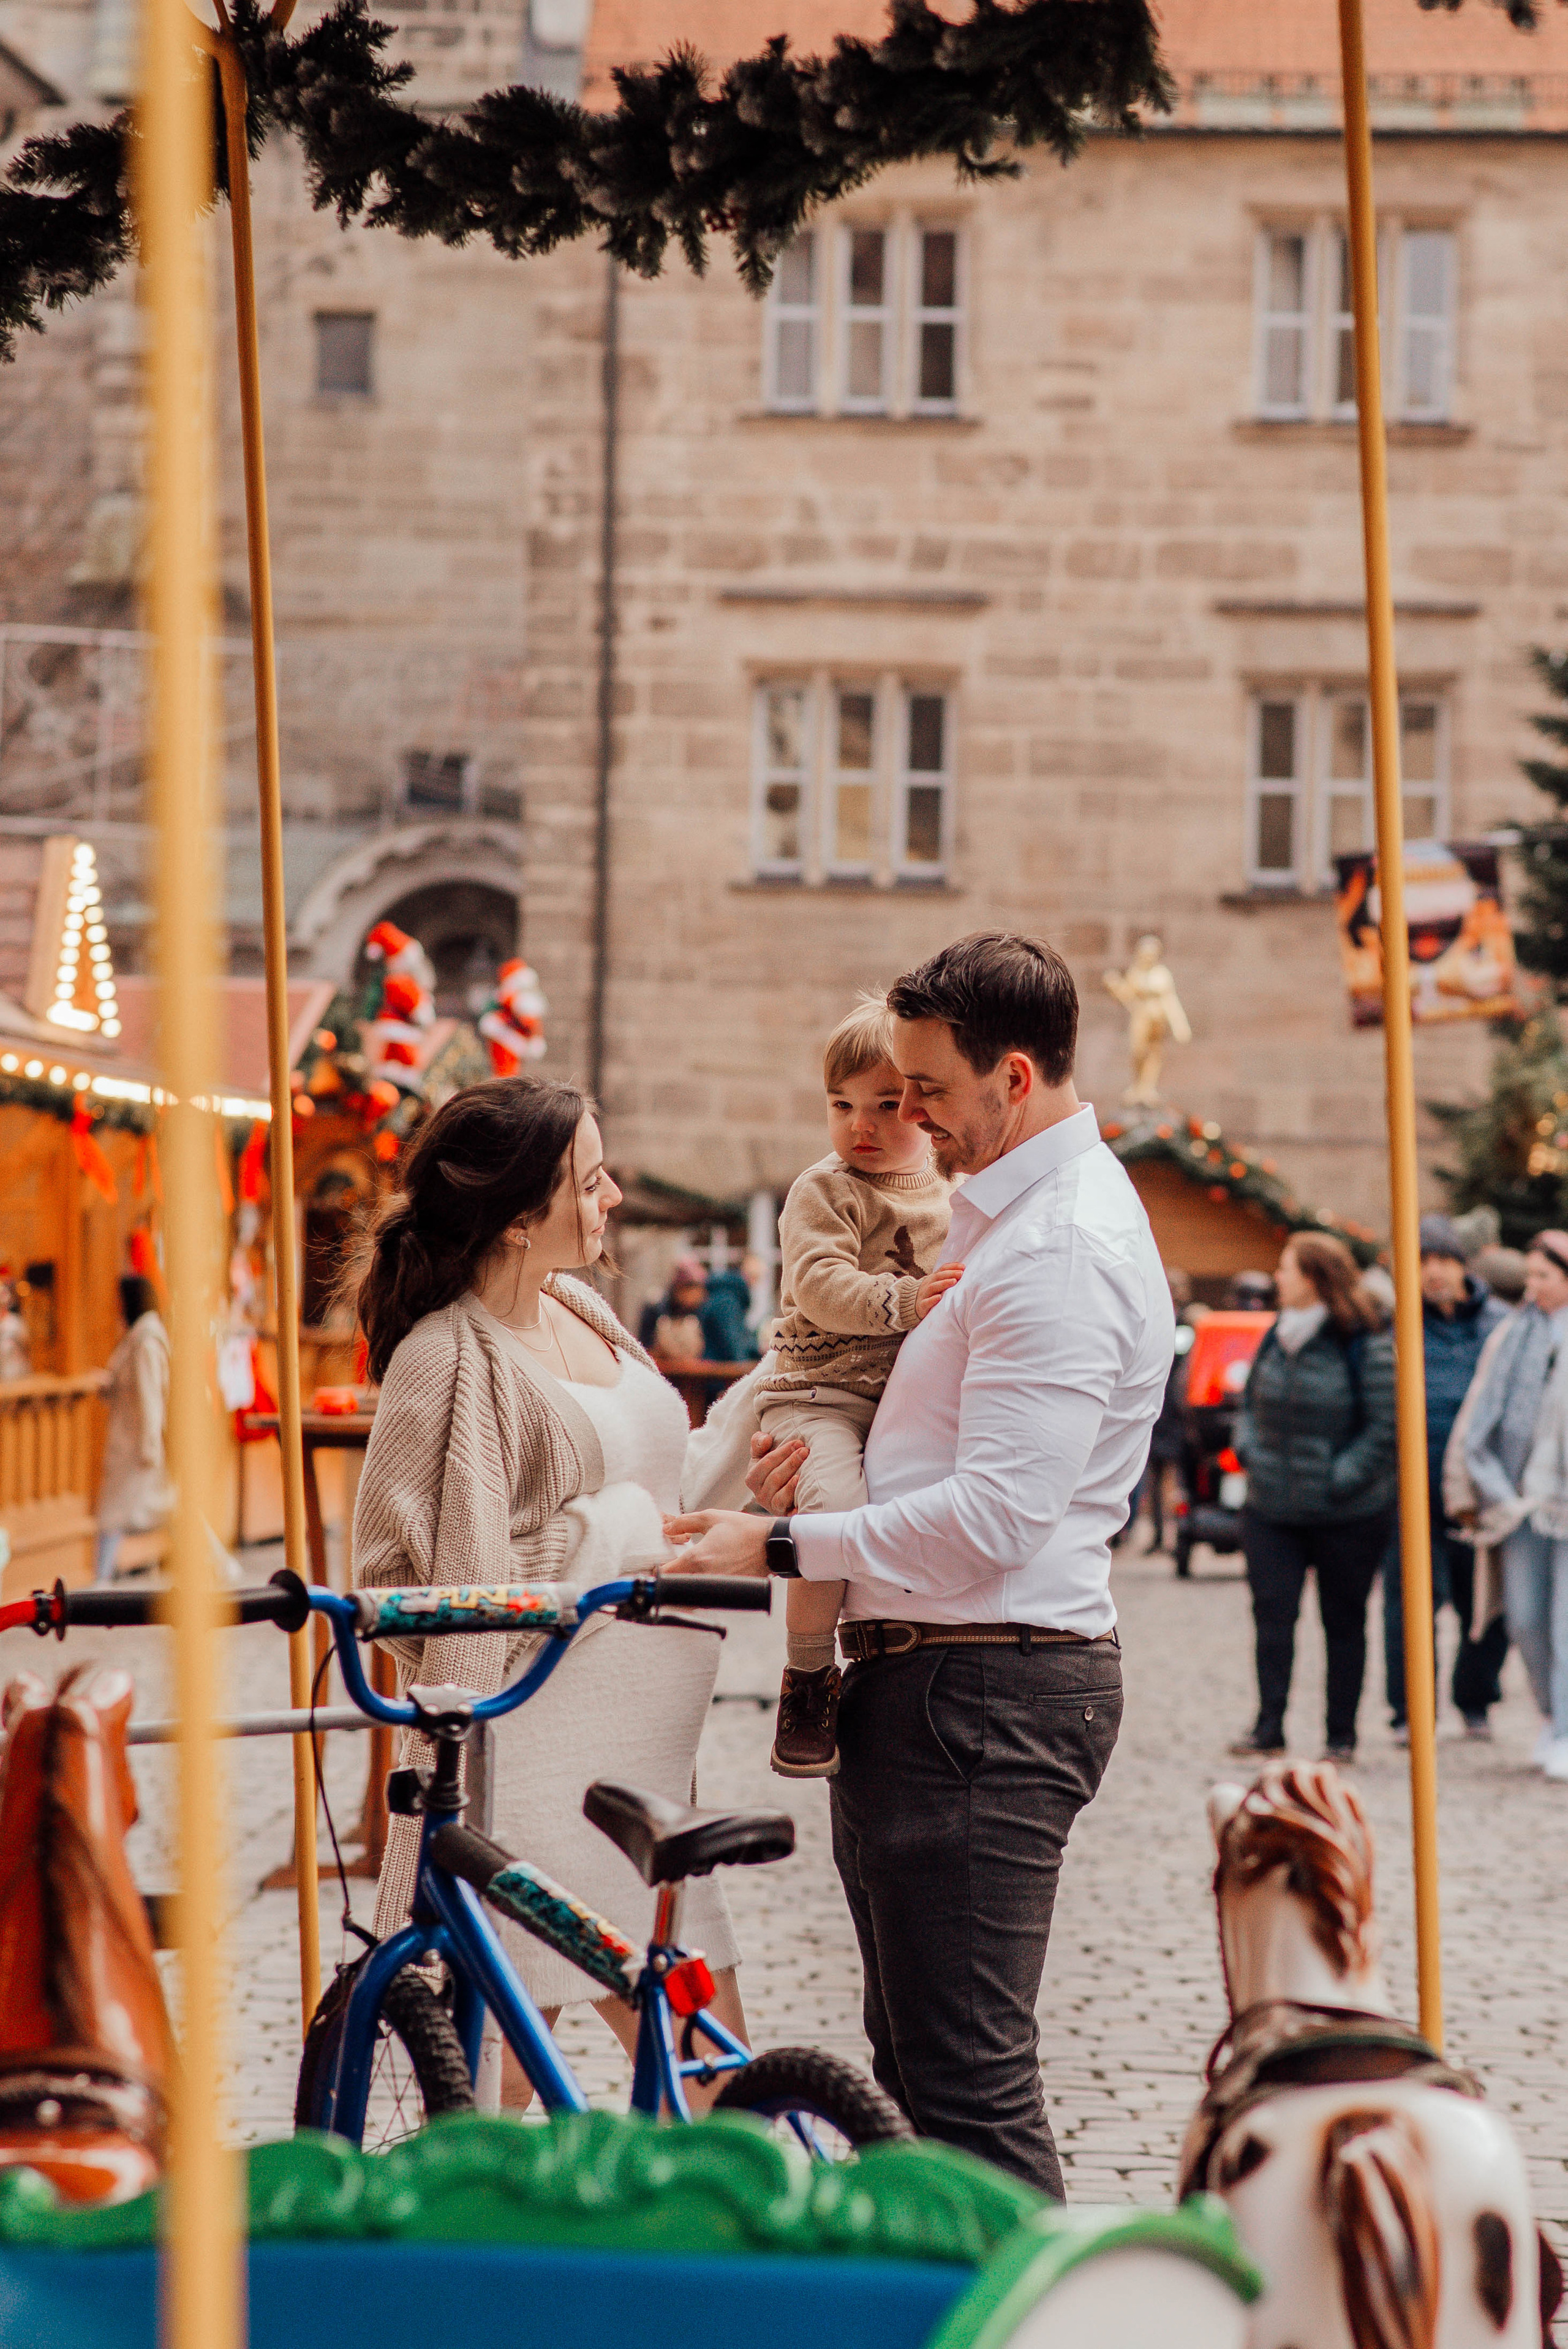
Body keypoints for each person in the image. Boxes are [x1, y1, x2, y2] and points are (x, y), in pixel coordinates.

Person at [666, 931, 1174, 2195]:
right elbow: (936, 1445)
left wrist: (779, 1540)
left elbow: (996, 1519)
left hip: (982, 1696)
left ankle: (1036, 2322)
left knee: (966, 2091)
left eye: (927, 1092)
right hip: (936, 1685)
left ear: (1012, 1077)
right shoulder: (1007, 1222)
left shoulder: (1054, 1250)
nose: (910, 1119)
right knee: (916, 2074)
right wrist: (812, 1475)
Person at [352, 1076, 745, 2103]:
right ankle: (453, 2255)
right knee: (508, 2081)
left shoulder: (584, 1305)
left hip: (648, 1739)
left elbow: (649, 1482)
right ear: (522, 1214)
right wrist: (606, 1537)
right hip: (534, 1743)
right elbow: (395, 1579)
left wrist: (736, 1479)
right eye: (591, 1177)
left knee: (702, 2060)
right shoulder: (444, 1355)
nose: (612, 1192)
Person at [760, 995, 958, 1776]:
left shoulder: (948, 1189)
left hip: (898, 1397)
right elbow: (818, 1285)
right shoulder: (827, 1188)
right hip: (820, 1394)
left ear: (919, 1103)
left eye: (883, 1105)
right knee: (833, 1514)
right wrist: (908, 1301)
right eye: (841, 1106)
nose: (860, 1125)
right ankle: (807, 1673)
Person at [1227, 1233, 1396, 1763]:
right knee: (1272, 1616)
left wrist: (1336, 1479)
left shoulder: (1362, 1337)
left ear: (1315, 1278)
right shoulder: (1280, 1333)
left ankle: (1340, 1737)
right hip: (1272, 1507)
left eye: (1286, 1269)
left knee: (1343, 1623)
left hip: (1346, 1512)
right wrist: (1249, 1448)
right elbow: (1251, 1402)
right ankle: (1268, 1726)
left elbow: (1385, 1426)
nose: (1277, 1278)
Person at [1381, 1216, 1507, 1744]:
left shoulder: (1500, 1324)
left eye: (1442, 1260)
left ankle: (1475, 1698)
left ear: (1463, 1264)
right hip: (1410, 1485)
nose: (1433, 1273)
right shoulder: (1395, 1325)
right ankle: (1412, 1709)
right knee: (1410, 1603)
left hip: (1479, 1487)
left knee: (1485, 1600)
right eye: (1422, 1261)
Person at [1466, 1230, 1568, 1778]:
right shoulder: (1515, 1335)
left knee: (1566, 1621)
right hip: (1521, 1502)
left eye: (1544, 1276)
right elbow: (1484, 1417)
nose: (1532, 1286)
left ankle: (1567, 1729)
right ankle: (1551, 1714)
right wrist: (1499, 1495)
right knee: (1526, 1618)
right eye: (1528, 1275)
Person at [94, 1275, 173, 1584]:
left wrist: (150, 1446)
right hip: (131, 1441)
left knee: (116, 1514)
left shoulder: (146, 1342)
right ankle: (102, 1577)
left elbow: (150, 1396)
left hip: (137, 1445)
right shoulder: (138, 1337)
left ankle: (101, 1579)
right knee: (161, 1510)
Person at [641, 1257, 707, 1363]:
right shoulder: (656, 1309)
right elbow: (645, 1346)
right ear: (679, 1289)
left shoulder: (701, 1311)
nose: (698, 1295)